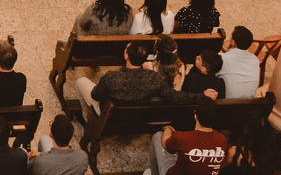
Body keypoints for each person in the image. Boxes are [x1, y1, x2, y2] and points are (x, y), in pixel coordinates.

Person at [75, 40, 204, 119]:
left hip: (108, 113)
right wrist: (202, 95)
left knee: (80, 81)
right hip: (134, 116)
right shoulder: (154, 79)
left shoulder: (111, 77)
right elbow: (176, 97)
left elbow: (96, 95)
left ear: (126, 55)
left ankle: (88, 117)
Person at [149, 96, 227, 175]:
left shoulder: (183, 138)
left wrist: (167, 128)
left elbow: (165, 144)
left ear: (195, 116)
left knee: (158, 136)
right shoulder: (222, 140)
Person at [219, 26, 260, 99]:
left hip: (227, 104)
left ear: (233, 42)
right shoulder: (255, 60)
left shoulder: (221, 58)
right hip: (250, 104)